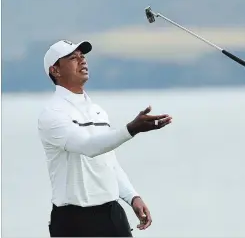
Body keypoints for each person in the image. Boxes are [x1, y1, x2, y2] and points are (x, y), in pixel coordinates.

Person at [38, 39, 172, 237]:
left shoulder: (98, 111)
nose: (82, 61)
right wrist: (131, 129)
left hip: (111, 214)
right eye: (73, 58)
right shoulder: (52, 114)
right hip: (73, 220)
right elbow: (88, 147)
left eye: (82, 56)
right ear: (55, 70)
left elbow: (108, 163)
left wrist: (132, 196)